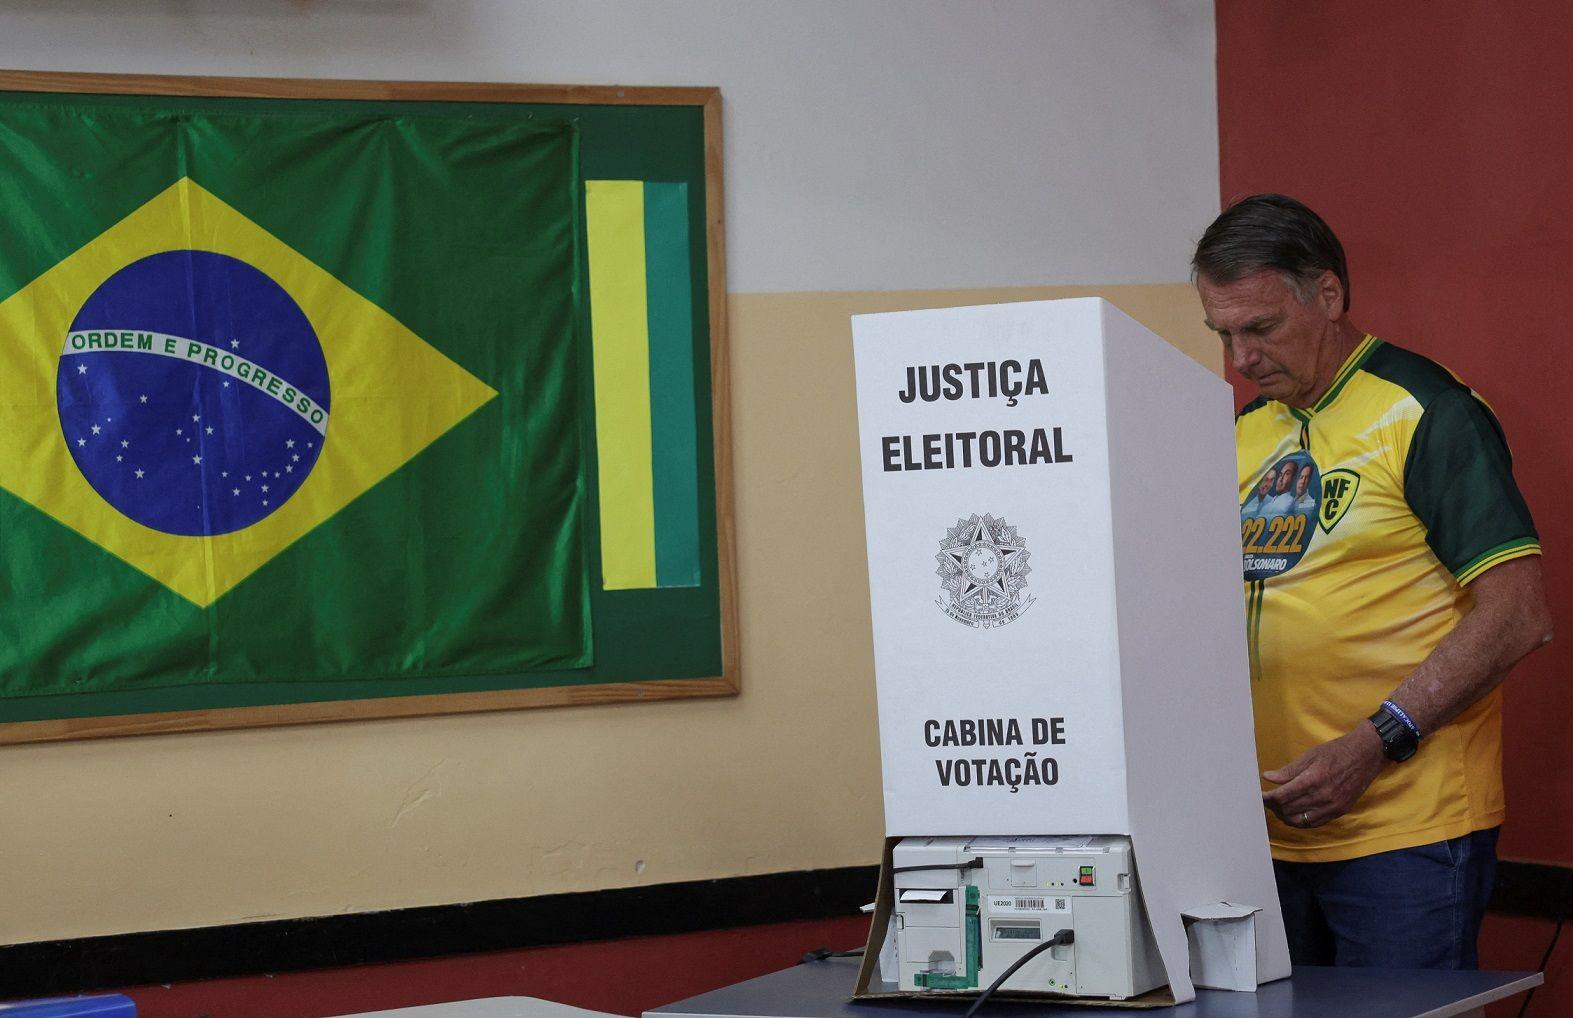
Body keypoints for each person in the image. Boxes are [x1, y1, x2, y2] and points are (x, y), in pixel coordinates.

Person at [1192, 194, 1552, 970]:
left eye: (1259, 328)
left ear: (1327, 294)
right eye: (1222, 335)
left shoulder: (1426, 410)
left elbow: (1518, 613)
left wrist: (1373, 742)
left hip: (1402, 832)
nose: (1240, 359)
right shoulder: (1245, 431)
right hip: (1260, 839)